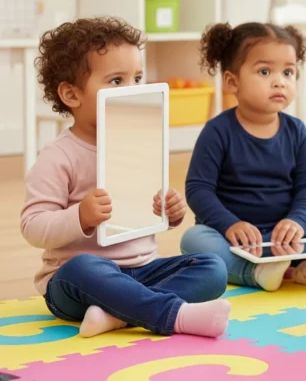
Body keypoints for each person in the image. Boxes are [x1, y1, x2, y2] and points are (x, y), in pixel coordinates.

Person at [21, 17, 230, 339]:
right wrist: (80, 216)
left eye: (137, 78)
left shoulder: (140, 142)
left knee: (213, 268)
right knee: (80, 267)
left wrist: (167, 213)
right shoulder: (58, 156)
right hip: (81, 282)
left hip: (143, 271)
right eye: (117, 81)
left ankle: (117, 314)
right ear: (71, 94)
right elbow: (33, 226)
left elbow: (141, 213)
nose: (133, 90)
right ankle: (171, 314)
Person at [181, 22, 306, 291]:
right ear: (232, 81)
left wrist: (297, 222)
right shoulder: (217, 131)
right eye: (264, 71)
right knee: (194, 239)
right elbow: (198, 189)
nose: (279, 81)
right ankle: (255, 271)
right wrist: (230, 225)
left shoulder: (297, 131)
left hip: (287, 239)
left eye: (288, 72)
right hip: (236, 242)